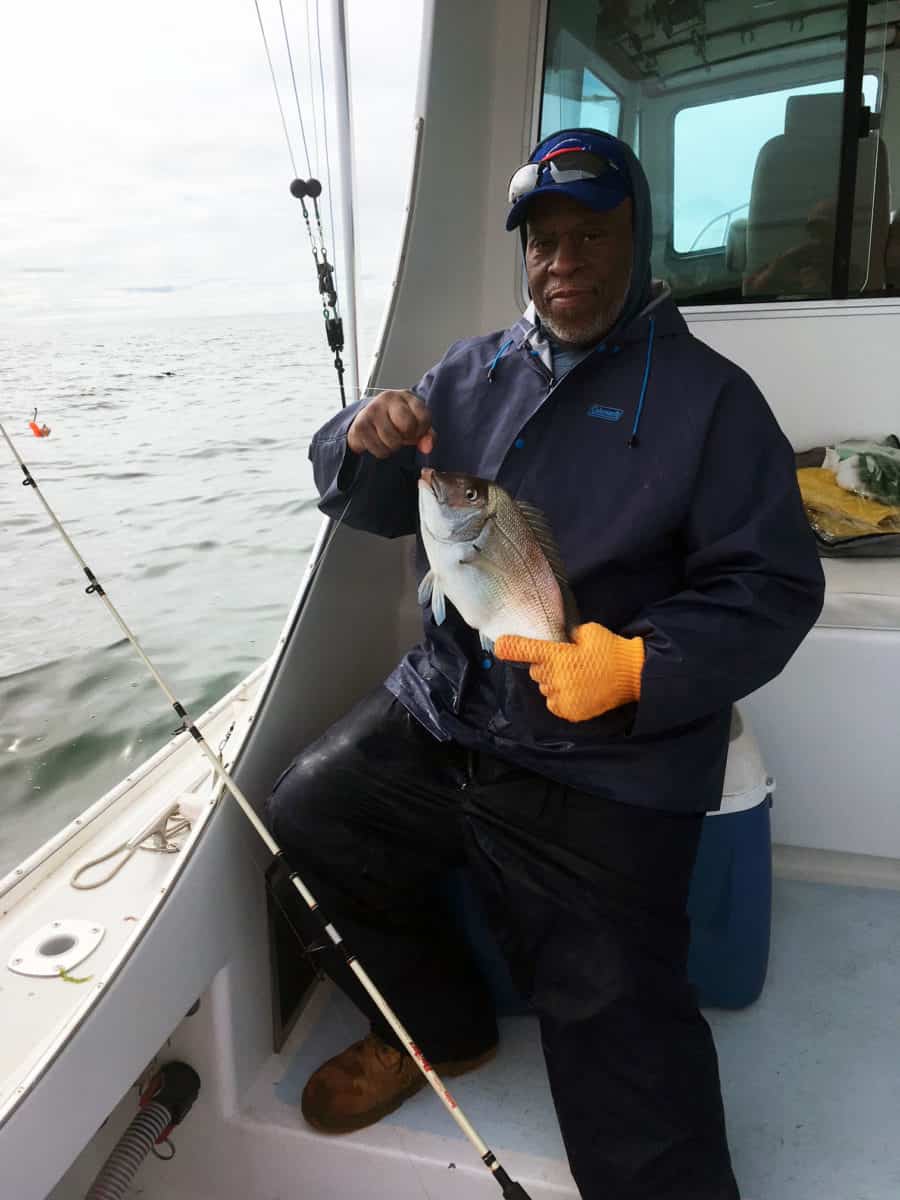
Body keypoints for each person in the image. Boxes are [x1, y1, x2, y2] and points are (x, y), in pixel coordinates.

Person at [263, 128, 825, 1199]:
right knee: (306, 817)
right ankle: (439, 1028)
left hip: (607, 756)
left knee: (623, 1043)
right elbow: (378, 506)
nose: (563, 260)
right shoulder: (469, 372)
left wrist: (641, 668)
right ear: (523, 253)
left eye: (591, 234)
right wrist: (360, 437)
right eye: (543, 240)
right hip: (452, 710)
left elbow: (775, 589)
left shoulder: (712, 399)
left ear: (637, 238)